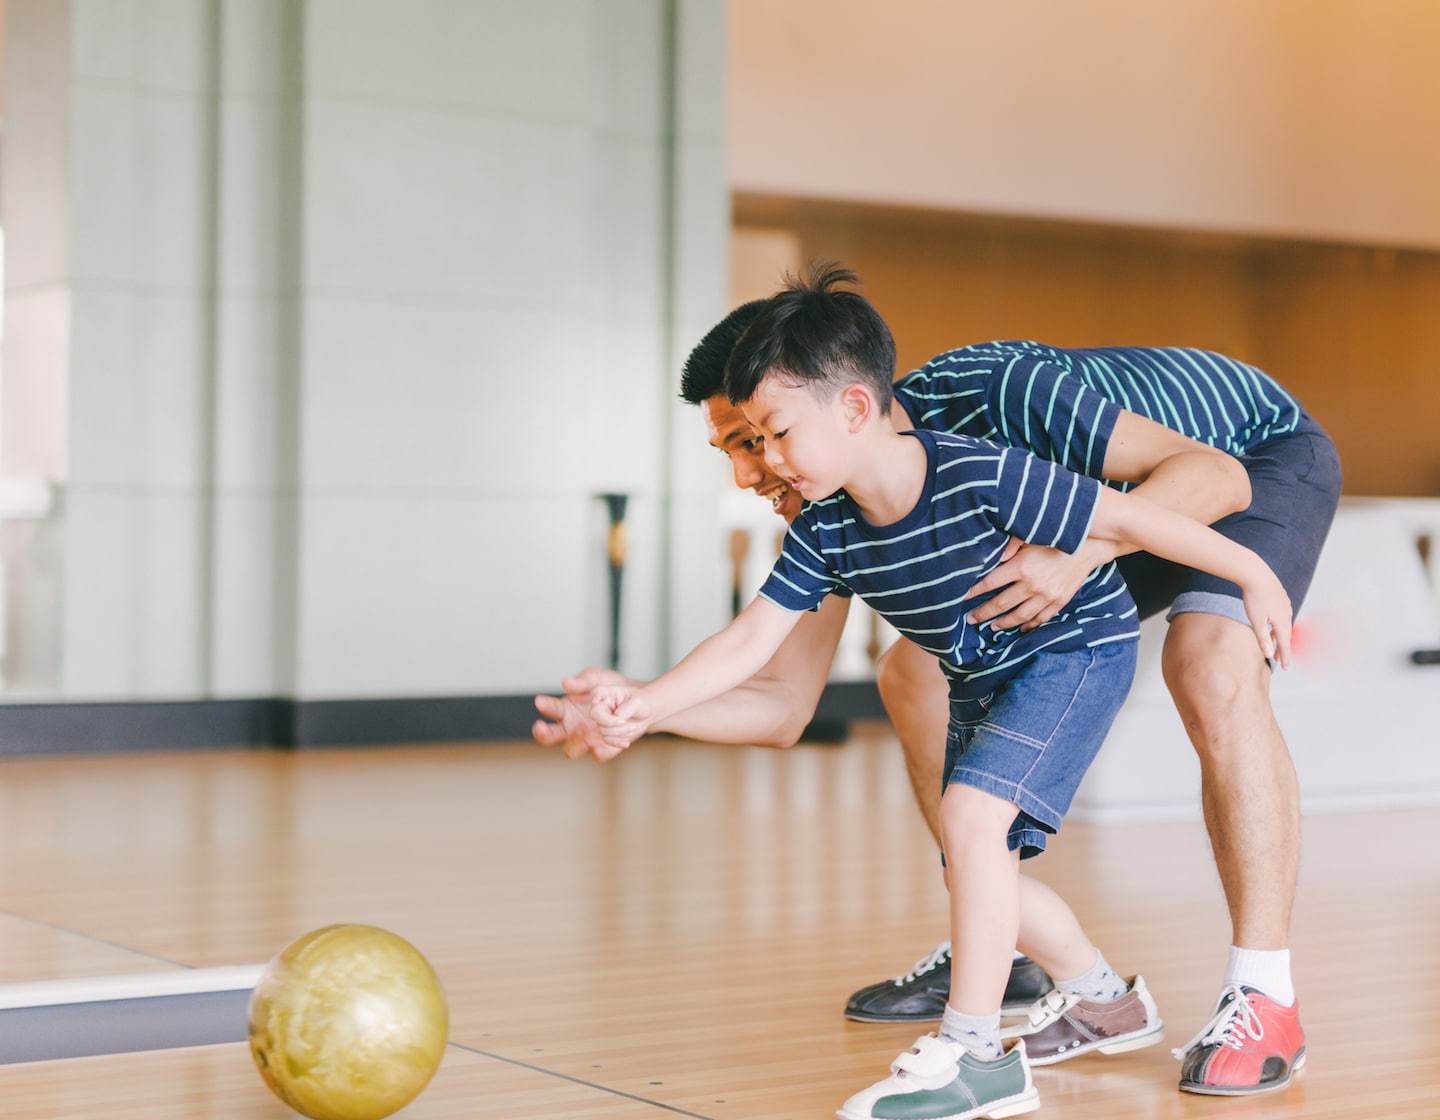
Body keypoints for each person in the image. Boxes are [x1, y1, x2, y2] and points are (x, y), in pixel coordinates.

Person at [537, 273, 1339, 1098]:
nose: (753, 472)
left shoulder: (991, 399)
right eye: (738, 448)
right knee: (909, 674)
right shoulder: (835, 502)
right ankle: (1000, 933)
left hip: (1244, 456)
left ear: (843, 403)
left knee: (1205, 663)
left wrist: (1076, 555)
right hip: (1089, 528)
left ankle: (1264, 992)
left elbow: (1213, 478)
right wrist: (641, 711)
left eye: (760, 437)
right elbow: (782, 702)